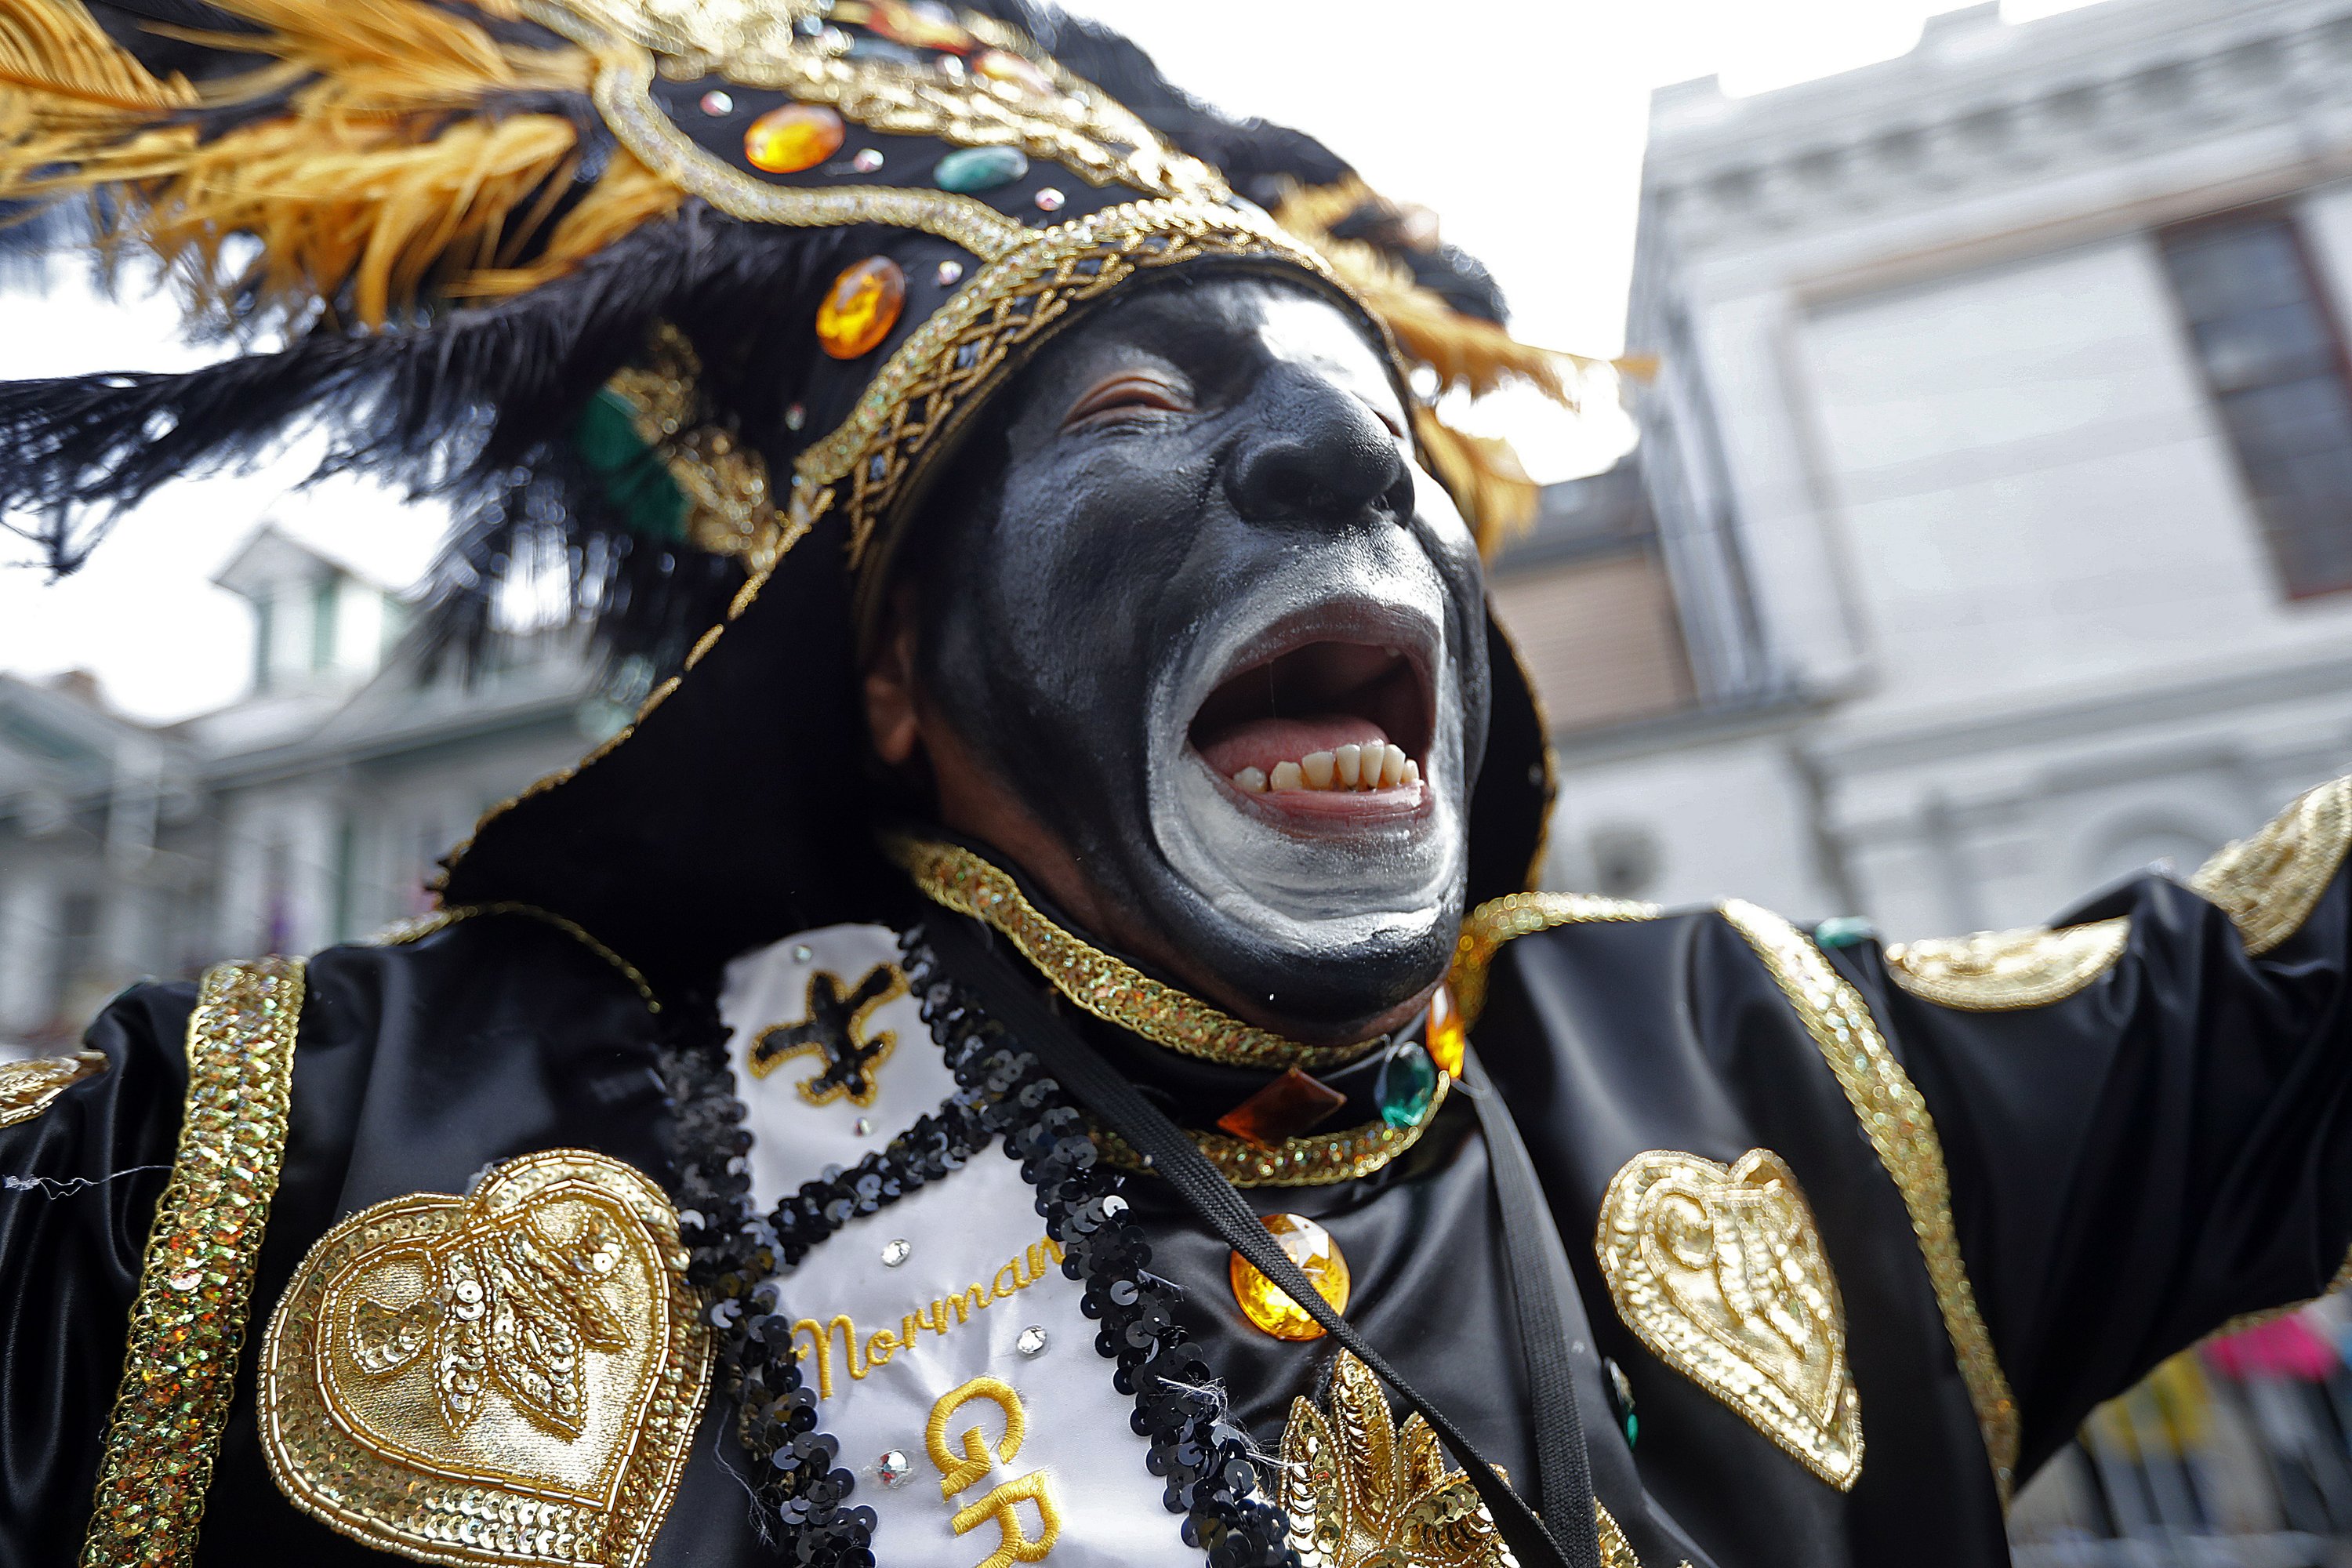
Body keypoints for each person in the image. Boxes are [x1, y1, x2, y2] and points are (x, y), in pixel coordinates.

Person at [2, 2, 2349, 1566]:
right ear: (892, 670)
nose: (1347, 459)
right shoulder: (336, 1154)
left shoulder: (1756, 1080)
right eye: (1132, 416)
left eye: (1384, 428)